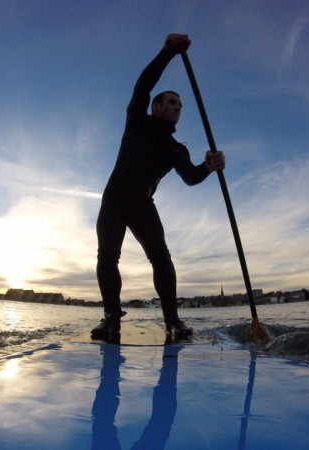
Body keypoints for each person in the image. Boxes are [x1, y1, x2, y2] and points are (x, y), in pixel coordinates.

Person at [92, 33, 225, 339]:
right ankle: (111, 317)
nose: (177, 108)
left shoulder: (177, 149)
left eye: (180, 105)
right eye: (171, 102)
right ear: (155, 107)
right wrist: (167, 52)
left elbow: (191, 178)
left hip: (142, 206)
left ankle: (172, 321)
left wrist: (209, 165)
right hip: (114, 200)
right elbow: (143, 85)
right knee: (107, 256)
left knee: (161, 257)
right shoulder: (137, 120)